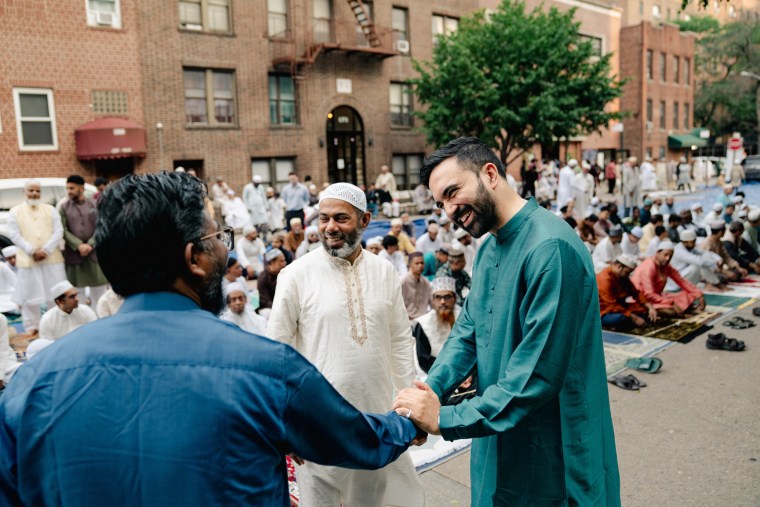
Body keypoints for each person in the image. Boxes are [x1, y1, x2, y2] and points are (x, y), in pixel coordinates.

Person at [0, 171, 422, 506]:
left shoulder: (29, 386)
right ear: (194, 260)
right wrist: (409, 423)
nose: (225, 250)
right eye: (218, 238)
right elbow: (356, 440)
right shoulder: (268, 370)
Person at [392, 137, 619, 506]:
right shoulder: (489, 247)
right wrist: (429, 393)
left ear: (490, 173)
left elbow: (537, 375)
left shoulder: (550, 249)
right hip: (496, 428)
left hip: (553, 440)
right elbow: (467, 333)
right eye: (440, 202)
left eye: (453, 192)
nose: (449, 209)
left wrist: (445, 419)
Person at [267, 182, 424, 507]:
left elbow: (399, 342)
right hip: (318, 423)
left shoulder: (383, 271)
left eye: (341, 218)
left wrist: (411, 410)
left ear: (365, 220)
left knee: (374, 498)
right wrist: (286, 423)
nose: (330, 227)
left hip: (378, 423)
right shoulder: (296, 275)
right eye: (324, 219)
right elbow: (276, 354)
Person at [7, 180, 67, 334]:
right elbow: (14, 234)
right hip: (28, 259)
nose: (34, 193)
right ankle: (32, 325)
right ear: (24, 192)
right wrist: (32, 250)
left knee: (55, 291)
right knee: (28, 294)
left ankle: (57, 323)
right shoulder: (15, 211)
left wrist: (45, 250)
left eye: (37, 191)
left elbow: (58, 231)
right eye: (31, 190)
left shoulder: (50, 209)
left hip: (51, 257)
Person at [60, 175, 109, 310]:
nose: (69, 191)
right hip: (75, 256)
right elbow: (63, 229)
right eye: (67, 188)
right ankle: (82, 323)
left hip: (94, 255)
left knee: (100, 293)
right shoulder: (64, 207)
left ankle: (100, 322)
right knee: (77, 294)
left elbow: (102, 225)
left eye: (72, 188)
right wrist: (78, 245)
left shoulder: (95, 204)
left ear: (81, 188)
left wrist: (91, 244)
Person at [631, 241, 705, 317]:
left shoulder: (665, 265)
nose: (667, 258)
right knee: (671, 311)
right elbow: (649, 294)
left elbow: (681, 281)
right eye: (665, 255)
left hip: (658, 297)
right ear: (658, 253)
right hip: (644, 300)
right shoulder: (648, 268)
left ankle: (679, 308)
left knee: (689, 295)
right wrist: (671, 302)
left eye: (670, 256)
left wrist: (699, 295)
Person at [596, 254, 658, 330]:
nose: (628, 275)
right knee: (622, 318)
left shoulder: (622, 276)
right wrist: (633, 317)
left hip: (620, 307)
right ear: (619, 267)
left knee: (644, 309)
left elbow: (636, 293)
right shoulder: (604, 279)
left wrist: (650, 307)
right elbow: (610, 305)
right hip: (603, 312)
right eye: (627, 273)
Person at [412, 276, 460, 373]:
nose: (443, 301)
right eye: (438, 297)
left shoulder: (463, 319)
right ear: (433, 300)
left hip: (462, 370)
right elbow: (424, 360)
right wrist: (449, 375)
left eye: (447, 297)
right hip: (434, 372)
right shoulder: (423, 324)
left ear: (455, 299)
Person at [400, 252, 432, 320]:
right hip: (405, 320)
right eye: (417, 263)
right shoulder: (402, 281)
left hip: (423, 320)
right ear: (410, 265)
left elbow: (432, 302)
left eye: (422, 263)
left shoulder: (426, 282)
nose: (420, 266)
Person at [257, 248, 287, 315]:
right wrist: (282, 308)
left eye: (284, 261)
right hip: (269, 309)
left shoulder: (284, 274)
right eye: (281, 261)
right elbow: (266, 301)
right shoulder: (263, 278)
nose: (284, 264)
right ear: (272, 262)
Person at [0, 247, 18, 314]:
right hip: (8, 295)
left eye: (14, 257)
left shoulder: (24, 266)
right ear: (6, 259)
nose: (13, 260)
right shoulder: (3, 267)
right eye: (9, 258)